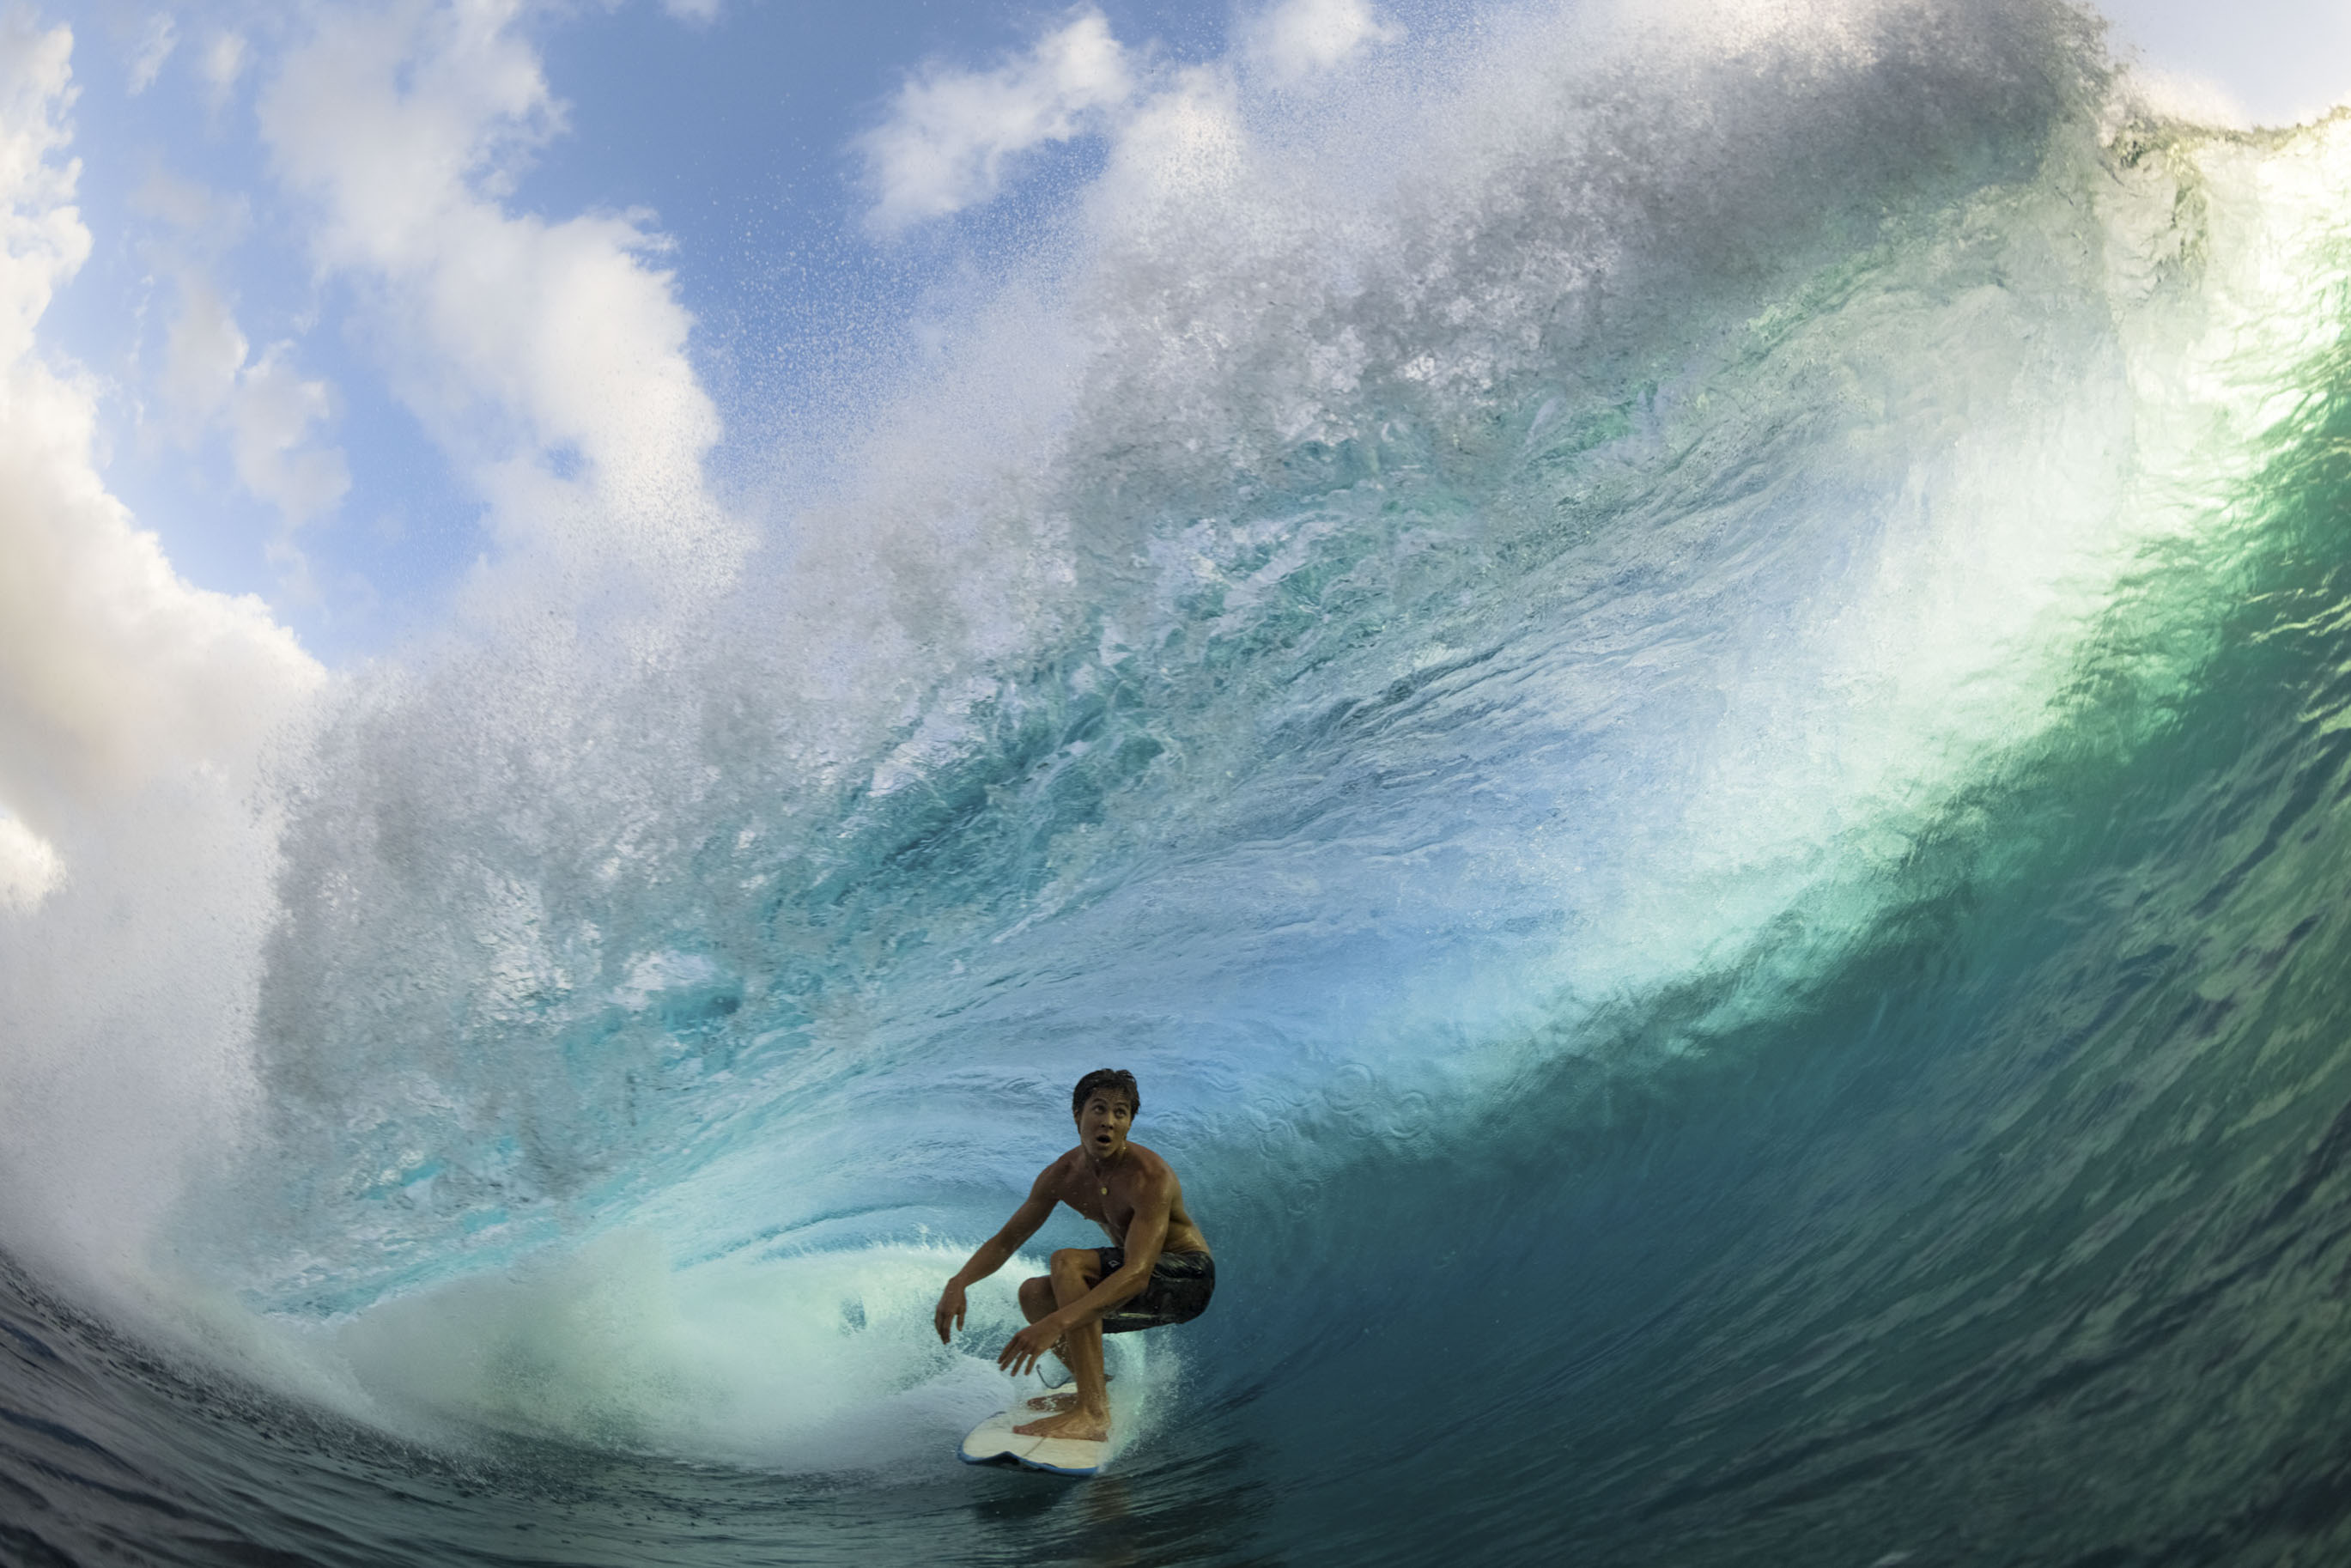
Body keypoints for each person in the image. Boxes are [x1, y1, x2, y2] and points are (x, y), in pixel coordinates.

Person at [932, 1067, 1215, 1443]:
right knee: (1034, 1295)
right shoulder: (1062, 1175)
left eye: (1121, 1112)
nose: (1109, 1122)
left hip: (1188, 1280)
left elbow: (1137, 1274)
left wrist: (1055, 1325)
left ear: (1130, 1122)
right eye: (1099, 1109)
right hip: (1137, 1278)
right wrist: (959, 1282)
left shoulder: (1149, 1176)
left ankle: (1093, 1413)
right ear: (1077, 1114)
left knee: (1068, 1261)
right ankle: (1096, 1389)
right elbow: (1006, 1240)